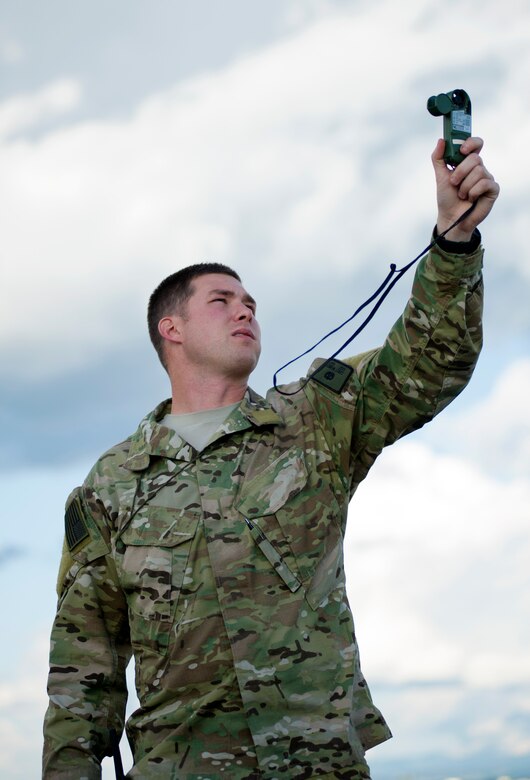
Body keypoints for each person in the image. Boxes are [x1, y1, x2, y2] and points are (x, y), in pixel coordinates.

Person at [43, 137, 499, 779]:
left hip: (318, 763)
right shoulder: (112, 486)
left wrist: (453, 243)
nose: (245, 310)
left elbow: (431, 361)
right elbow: (83, 662)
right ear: (170, 329)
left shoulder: (315, 418)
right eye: (221, 301)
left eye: (251, 302)